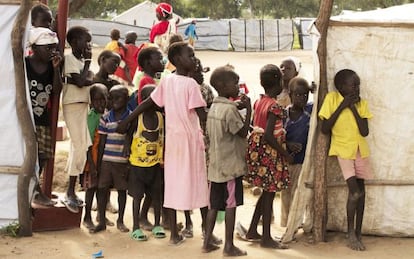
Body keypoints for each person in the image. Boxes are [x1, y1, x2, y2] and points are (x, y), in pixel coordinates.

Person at [117, 42, 209, 245]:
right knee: (200, 184)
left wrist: (128, 119)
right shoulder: (192, 85)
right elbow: (203, 116)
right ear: (177, 60)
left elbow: (148, 103)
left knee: (173, 185)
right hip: (190, 142)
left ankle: (175, 235)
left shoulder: (167, 82)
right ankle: (206, 232)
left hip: (173, 143)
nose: (194, 59)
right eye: (191, 55)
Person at [319, 69, 373, 251]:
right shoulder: (331, 99)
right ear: (342, 87)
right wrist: (343, 105)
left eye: (358, 85)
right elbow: (325, 128)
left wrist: (352, 108)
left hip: (360, 150)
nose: (357, 88)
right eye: (354, 85)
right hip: (343, 151)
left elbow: (364, 131)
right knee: (354, 192)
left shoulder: (361, 103)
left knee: (362, 193)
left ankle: (358, 232)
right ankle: (350, 234)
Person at [241, 64, 292, 249]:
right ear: (279, 81)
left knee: (266, 192)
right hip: (270, 153)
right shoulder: (275, 106)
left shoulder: (259, 101)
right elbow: (270, 135)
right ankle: (266, 238)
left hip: (259, 151)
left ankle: (253, 230)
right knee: (269, 194)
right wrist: (285, 153)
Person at [202, 66, 251, 256]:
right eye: (235, 83)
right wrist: (248, 109)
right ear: (223, 85)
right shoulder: (230, 110)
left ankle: (207, 242)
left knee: (214, 205)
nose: (237, 86)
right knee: (231, 204)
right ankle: (229, 246)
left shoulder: (215, 106)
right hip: (230, 167)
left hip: (215, 166)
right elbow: (242, 132)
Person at [26, 27, 62, 207]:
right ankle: (34, 191)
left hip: (41, 118)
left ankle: (34, 188)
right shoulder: (24, 64)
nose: (52, 52)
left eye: (54, 48)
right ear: (35, 47)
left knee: (44, 155)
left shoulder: (51, 66)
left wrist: (56, 70)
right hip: (25, 119)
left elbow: (56, 90)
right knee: (27, 155)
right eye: (48, 48)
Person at [62, 26, 94, 213]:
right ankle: (69, 191)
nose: (88, 45)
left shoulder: (80, 62)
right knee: (78, 145)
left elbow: (88, 80)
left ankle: (71, 189)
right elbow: (83, 81)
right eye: (86, 41)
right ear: (74, 42)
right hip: (73, 105)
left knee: (82, 145)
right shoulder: (70, 59)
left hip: (83, 105)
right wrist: (88, 66)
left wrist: (85, 77)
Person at [127, 85, 166, 241]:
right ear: (143, 101)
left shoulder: (161, 117)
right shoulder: (138, 118)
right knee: (137, 197)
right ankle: (136, 227)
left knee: (157, 195)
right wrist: (126, 151)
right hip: (137, 165)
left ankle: (157, 224)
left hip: (155, 165)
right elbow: (128, 135)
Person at [93, 85, 131, 233]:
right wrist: (99, 163)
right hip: (107, 161)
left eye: (118, 98)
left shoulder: (130, 116)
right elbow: (102, 142)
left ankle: (120, 220)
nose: (114, 101)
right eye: (111, 98)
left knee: (122, 191)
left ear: (127, 99)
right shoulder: (105, 118)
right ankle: (101, 220)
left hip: (122, 161)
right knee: (102, 189)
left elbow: (131, 137)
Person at [280, 77, 313, 228]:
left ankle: (298, 223)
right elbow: (278, 137)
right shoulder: (284, 115)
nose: (302, 98)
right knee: (286, 195)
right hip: (288, 162)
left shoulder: (309, 111)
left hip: (303, 162)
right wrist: (288, 144)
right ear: (291, 95)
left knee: (300, 194)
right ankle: (288, 224)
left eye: (305, 95)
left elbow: (320, 100)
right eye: (298, 95)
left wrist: (314, 89)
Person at [81, 83, 108, 231]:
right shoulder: (91, 117)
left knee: (103, 190)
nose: (101, 103)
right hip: (92, 161)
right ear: (91, 101)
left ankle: (101, 217)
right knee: (91, 188)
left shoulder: (107, 115)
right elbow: (88, 143)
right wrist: (92, 165)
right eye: (97, 100)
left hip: (105, 161)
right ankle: (87, 217)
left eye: (103, 99)